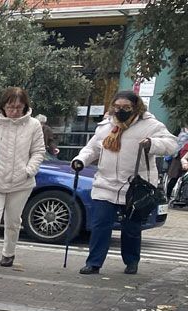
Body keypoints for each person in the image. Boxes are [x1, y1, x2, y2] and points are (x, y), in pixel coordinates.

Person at [71, 91, 178, 275]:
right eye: (117, 107)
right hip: (106, 184)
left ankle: (131, 261)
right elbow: (92, 148)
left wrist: (152, 143)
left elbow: (172, 144)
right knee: (100, 225)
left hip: (135, 187)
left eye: (126, 108)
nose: (121, 111)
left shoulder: (150, 125)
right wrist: (80, 160)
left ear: (136, 107)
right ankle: (94, 263)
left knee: (131, 228)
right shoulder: (105, 127)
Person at [0, 87, 45, 270]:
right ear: (3, 105)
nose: (14, 112)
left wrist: (29, 170)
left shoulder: (33, 125)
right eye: (10, 107)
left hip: (21, 182)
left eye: (18, 108)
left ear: (25, 106)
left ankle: (8, 253)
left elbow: (38, 151)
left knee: (13, 220)